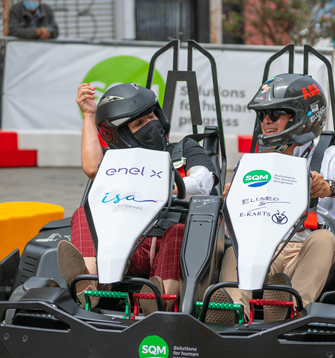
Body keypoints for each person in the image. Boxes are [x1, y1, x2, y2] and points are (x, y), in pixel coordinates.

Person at [216, 74, 335, 323]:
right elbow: (233, 230)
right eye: (262, 116)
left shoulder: (328, 156)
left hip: (307, 252)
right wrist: (230, 204)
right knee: (234, 250)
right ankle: (233, 311)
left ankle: (291, 308)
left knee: (323, 238)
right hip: (263, 254)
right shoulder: (252, 163)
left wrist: (327, 187)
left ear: (302, 117)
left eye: (274, 114)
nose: (265, 122)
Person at [57, 82, 217, 313]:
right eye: (140, 123)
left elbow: (204, 181)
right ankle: (88, 283)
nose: (151, 123)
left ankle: (158, 298)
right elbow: (93, 168)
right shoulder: (119, 161)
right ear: (122, 134)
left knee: (179, 232)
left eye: (152, 116)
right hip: (128, 246)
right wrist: (89, 115)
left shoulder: (184, 148)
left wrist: (169, 186)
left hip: (171, 242)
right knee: (84, 214)